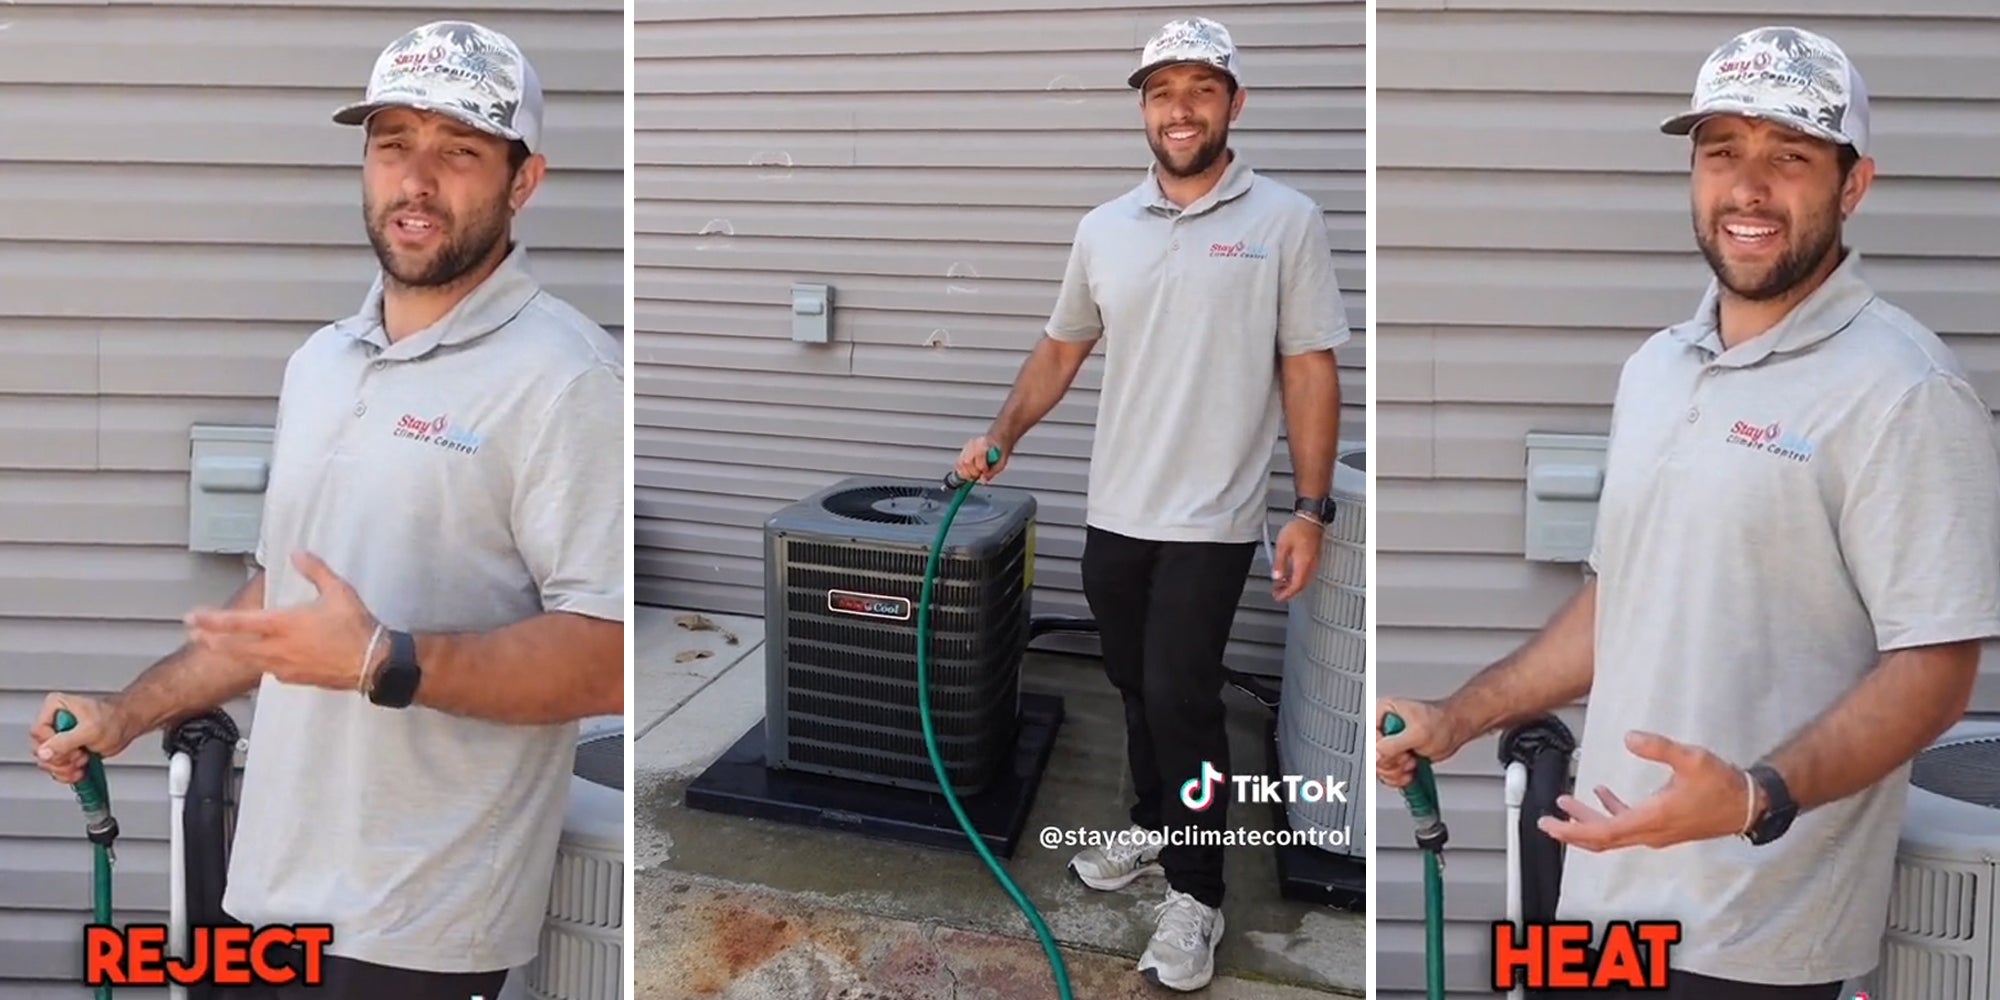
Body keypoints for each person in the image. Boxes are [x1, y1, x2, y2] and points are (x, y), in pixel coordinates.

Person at [1376, 25, 2000, 1000]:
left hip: (1749, 936)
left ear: (1852, 185)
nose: (1747, 186)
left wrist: (1756, 795)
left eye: (1788, 155)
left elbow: (1935, 667)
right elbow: (1616, 600)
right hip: (1600, 899)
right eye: (1721, 152)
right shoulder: (1657, 367)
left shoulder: (1901, 390)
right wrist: (1456, 716)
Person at [26, 20, 624, 1000]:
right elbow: (279, 610)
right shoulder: (322, 363)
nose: (417, 180)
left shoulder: (566, 380)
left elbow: (607, 657)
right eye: (393, 144)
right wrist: (126, 712)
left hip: (419, 928)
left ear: (524, 181)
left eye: (459, 152)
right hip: (270, 893)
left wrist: (383, 660)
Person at [955, 15, 1347, 993]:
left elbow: (1307, 367)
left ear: (1233, 105)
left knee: (1181, 698)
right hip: (1115, 509)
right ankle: (1151, 824)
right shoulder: (1103, 229)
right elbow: (1059, 349)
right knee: (1132, 683)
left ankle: (1196, 892)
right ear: (1142, 107)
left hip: (1208, 520)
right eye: (1162, 90)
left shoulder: (1283, 221)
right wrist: (1001, 432)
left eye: (1200, 89)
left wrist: (1308, 507)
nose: (1180, 108)